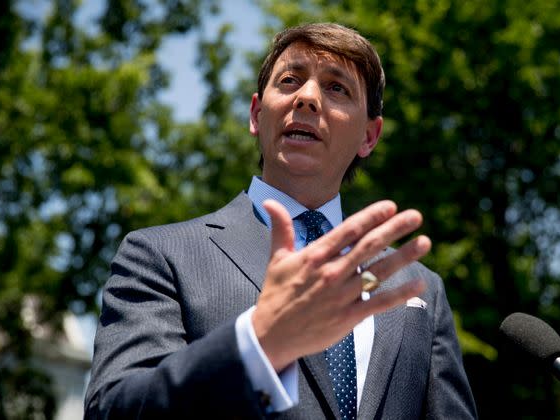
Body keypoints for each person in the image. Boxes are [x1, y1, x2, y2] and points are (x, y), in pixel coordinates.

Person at [84, 23, 477, 419]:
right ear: (256, 114)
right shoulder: (160, 256)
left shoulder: (422, 290)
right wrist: (260, 345)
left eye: (336, 88)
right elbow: (114, 410)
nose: (307, 97)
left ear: (369, 137)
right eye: (290, 81)